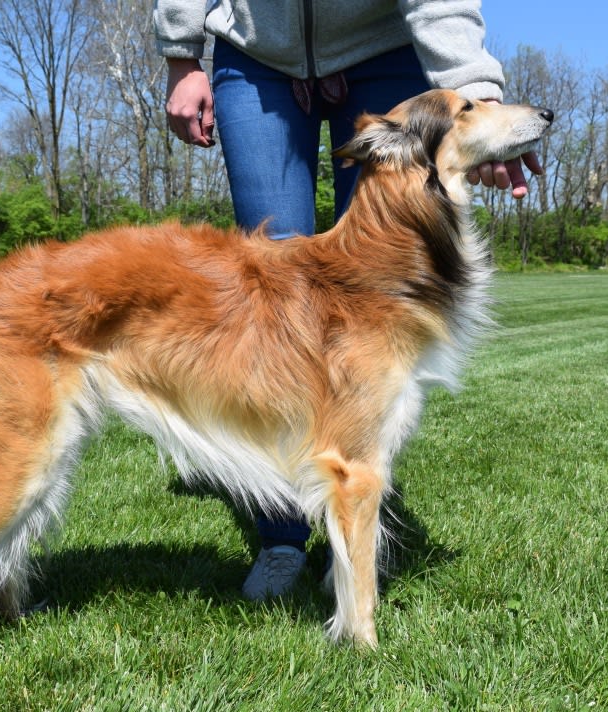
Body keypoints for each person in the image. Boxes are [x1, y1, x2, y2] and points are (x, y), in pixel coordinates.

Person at [153, 0, 542, 600]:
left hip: (380, 47)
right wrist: (182, 51)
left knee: (371, 310)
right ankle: (282, 538)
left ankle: (354, 538)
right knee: (272, 293)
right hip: (258, 53)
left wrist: (479, 98)